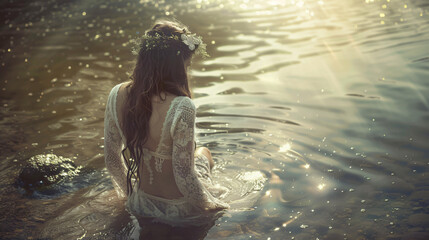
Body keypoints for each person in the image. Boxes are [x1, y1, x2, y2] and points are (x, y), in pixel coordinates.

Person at [103, 19, 229, 227]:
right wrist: (212, 205)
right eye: (186, 66)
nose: (186, 73)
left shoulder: (116, 94)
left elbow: (112, 159)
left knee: (201, 153)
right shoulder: (182, 106)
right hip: (179, 209)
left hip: (142, 203)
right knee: (205, 154)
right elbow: (183, 175)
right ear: (175, 67)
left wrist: (131, 198)